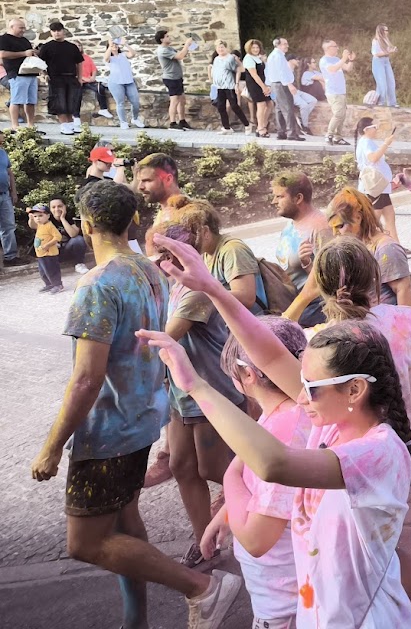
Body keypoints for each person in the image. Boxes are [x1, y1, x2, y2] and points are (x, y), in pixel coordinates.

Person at [137, 240, 411, 629]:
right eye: (300, 381)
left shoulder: (376, 452)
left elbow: (273, 464)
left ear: (354, 390)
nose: (300, 395)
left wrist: (197, 386)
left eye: (311, 387)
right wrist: (213, 289)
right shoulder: (336, 422)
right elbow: (268, 356)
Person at [31, 182, 242, 629]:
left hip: (108, 433)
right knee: (126, 523)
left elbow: (88, 379)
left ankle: (202, 587)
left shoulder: (97, 285)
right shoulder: (146, 269)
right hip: (141, 422)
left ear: (86, 226)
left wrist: (52, 446)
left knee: (86, 543)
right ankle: (135, 621)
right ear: (133, 223)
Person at [154, 197, 259, 569]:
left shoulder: (197, 289)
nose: (155, 263)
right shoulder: (172, 286)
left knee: (219, 470)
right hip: (183, 393)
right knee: (183, 466)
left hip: (210, 390)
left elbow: (167, 336)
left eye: (160, 256)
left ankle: (266, 512)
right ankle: (205, 541)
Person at [200, 318, 310, 629]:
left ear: (247, 374)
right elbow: (266, 491)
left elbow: (256, 540)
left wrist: (229, 479)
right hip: (295, 589)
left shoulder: (283, 430)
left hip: (286, 599)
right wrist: (225, 515)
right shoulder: (294, 411)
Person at [314, 187, 411, 310]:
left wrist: (405, 327)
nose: (335, 233)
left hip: (389, 322)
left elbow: (403, 291)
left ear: (358, 217)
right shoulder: (355, 247)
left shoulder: (386, 248)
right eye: (332, 228)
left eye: (339, 226)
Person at [271, 171, 330, 326]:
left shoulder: (320, 227)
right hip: (295, 309)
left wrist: (308, 266)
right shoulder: (291, 223)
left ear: (298, 198)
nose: (273, 201)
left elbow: (330, 279)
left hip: (314, 316)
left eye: (279, 196)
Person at [354, 116, 399, 242]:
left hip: (381, 187)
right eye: (374, 127)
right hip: (375, 187)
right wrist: (386, 144)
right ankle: (367, 244)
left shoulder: (367, 142)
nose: (376, 129)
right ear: (365, 129)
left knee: (390, 217)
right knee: (374, 219)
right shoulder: (366, 142)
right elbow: (373, 158)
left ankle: (396, 244)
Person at [39, 21, 84, 136]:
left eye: (59, 30)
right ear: (51, 32)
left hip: (70, 77)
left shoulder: (72, 47)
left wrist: (80, 77)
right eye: (54, 31)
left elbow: (79, 63)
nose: (57, 33)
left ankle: (71, 123)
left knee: (71, 102)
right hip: (55, 78)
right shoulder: (46, 47)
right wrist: (44, 73)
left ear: (63, 31)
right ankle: (64, 125)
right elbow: (39, 62)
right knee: (59, 103)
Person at [1, 16, 38, 131]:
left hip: (31, 73)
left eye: (24, 28)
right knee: (16, 100)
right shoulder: (4, 39)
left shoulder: (24, 40)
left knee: (31, 101)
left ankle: (30, 125)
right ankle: (15, 125)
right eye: (20, 28)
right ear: (12, 27)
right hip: (16, 73)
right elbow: (2, 54)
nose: (23, 30)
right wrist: (23, 53)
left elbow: (28, 54)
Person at [265, 37, 304, 141]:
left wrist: (268, 85)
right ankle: (292, 134)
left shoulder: (272, 55)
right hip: (281, 85)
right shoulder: (278, 56)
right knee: (287, 108)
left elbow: (268, 72)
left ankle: (281, 132)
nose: (287, 46)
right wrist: (290, 85)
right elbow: (281, 73)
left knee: (279, 109)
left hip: (275, 84)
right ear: (278, 45)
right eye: (284, 44)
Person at [154, 29, 192, 130]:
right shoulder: (163, 50)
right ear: (162, 39)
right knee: (174, 100)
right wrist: (186, 45)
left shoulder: (169, 48)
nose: (169, 38)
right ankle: (172, 123)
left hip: (177, 78)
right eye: (167, 36)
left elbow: (182, 54)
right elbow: (179, 56)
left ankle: (182, 121)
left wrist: (189, 47)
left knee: (182, 100)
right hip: (171, 78)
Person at [320, 39, 355, 146]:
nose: (337, 48)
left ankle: (338, 137)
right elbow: (333, 69)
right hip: (333, 91)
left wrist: (351, 60)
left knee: (342, 115)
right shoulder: (324, 60)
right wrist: (344, 58)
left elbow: (348, 68)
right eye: (335, 46)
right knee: (338, 114)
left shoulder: (336, 59)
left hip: (341, 91)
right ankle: (329, 134)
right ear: (327, 48)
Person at [105, 36, 145, 129]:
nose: (115, 46)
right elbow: (106, 58)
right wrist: (110, 46)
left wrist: (125, 44)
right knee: (120, 102)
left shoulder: (123, 54)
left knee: (135, 101)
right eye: (112, 45)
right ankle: (123, 122)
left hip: (129, 81)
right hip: (116, 82)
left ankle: (135, 119)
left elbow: (133, 54)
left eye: (116, 44)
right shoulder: (109, 57)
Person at [209, 41, 247, 134]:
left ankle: (247, 124)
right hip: (220, 86)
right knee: (221, 107)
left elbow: (239, 69)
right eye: (218, 48)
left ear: (225, 48)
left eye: (222, 47)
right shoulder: (217, 59)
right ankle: (226, 127)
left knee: (234, 105)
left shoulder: (230, 58)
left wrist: (236, 83)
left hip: (229, 85)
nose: (220, 49)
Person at [133, 152, 182, 224]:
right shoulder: (164, 212)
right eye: (139, 181)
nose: (140, 187)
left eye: (147, 180)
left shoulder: (187, 218)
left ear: (168, 179)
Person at [29, 203, 64, 293]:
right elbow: (31, 225)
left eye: (40, 215)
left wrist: (47, 245)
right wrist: (30, 217)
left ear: (48, 215)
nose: (38, 218)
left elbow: (58, 237)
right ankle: (49, 284)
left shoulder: (49, 226)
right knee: (43, 271)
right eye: (35, 216)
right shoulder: (39, 225)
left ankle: (57, 284)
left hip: (49, 253)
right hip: (41, 254)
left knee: (52, 270)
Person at [242, 39, 273, 138]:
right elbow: (254, 75)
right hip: (254, 84)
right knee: (261, 104)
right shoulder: (248, 58)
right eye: (253, 47)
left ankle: (263, 124)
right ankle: (260, 128)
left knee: (270, 104)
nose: (256, 49)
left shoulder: (257, 58)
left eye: (257, 47)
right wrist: (263, 87)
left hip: (262, 83)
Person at [49, 197, 89, 273]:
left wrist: (62, 218)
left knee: (78, 239)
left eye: (60, 206)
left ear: (64, 207)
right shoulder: (47, 220)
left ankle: (79, 264)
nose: (57, 209)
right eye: (53, 207)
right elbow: (33, 225)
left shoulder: (69, 217)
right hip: (54, 252)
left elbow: (73, 234)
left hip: (68, 249)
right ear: (50, 209)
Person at [77, 47, 113, 122]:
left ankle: (103, 109)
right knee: (77, 95)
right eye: (75, 46)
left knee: (100, 87)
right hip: (78, 81)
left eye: (79, 45)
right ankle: (75, 115)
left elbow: (94, 69)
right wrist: (83, 78)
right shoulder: (71, 58)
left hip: (89, 80)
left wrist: (93, 77)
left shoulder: (87, 57)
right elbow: (73, 72)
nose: (77, 47)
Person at [371, 24, 398, 108]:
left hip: (386, 61)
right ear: (381, 31)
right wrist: (389, 52)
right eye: (386, 30)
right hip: (378, 62)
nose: (387, 32)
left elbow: (386, 51)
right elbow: (376, 53)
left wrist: (392, 50)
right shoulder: (376, 41)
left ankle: (392, 103)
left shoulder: (386, 40)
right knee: (381, 83)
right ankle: (380, 102)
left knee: (391, 81)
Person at [0, 135, 17, 265]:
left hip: (4, 195)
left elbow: (10, 172)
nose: (2, 141)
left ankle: (10, 257)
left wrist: (13, 191)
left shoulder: (3, 152)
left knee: (8, 226)